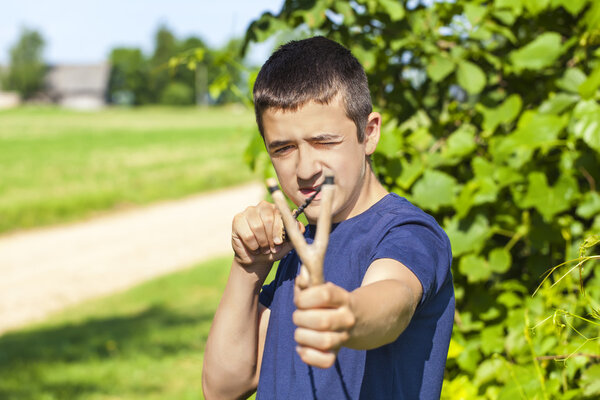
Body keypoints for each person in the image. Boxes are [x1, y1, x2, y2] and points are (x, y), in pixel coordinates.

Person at [202, 36, 454, 399]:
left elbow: (393, 300)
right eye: (284, 148)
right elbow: (223, 388)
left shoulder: (408, 232)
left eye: (324, 142)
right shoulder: (299, 242)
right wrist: (249, 268)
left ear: (368, 134)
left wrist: (345, 314)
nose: (305, 169)